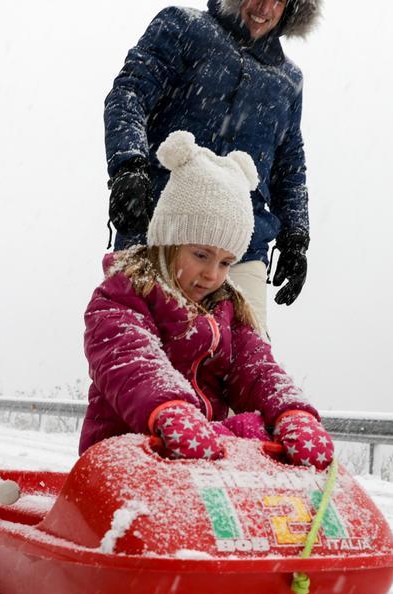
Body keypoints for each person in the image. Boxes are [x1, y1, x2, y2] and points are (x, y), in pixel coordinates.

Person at [81, 130, 333, 470]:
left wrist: (291, 412)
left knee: (257, 434)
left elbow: (257, 369)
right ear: (169, 242)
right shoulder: (124, 296)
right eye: (201, 254)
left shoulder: (227, 311)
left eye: (226, 262)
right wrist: (170, 409)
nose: (213, 274)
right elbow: (129, 357)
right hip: (126, 459)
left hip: (200, 462)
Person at [103, 0, 321, 332]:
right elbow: (129, 94)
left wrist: (295, 237)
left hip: (240, 252)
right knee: (137, 355)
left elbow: (290, 164)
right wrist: (129, 166)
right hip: (160, 229)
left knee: (243, 368)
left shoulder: (287, 81)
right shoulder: (183, 27)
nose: (265, 7)